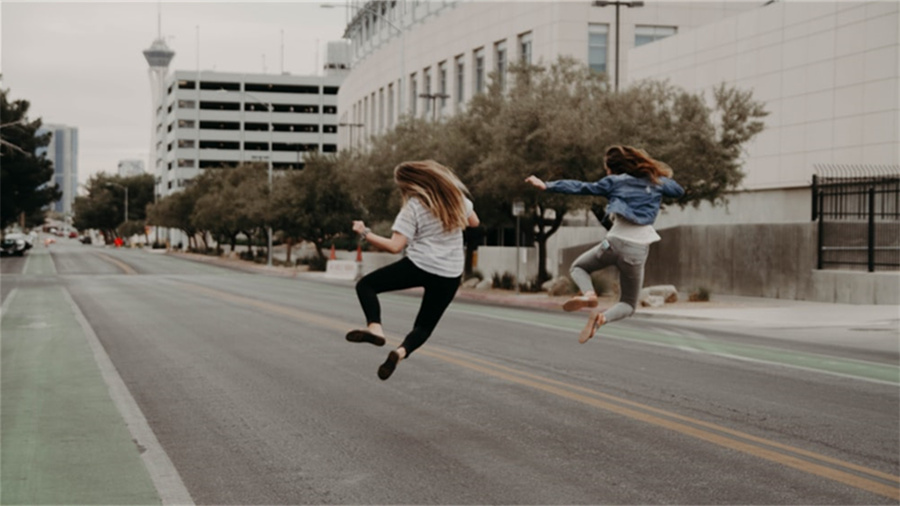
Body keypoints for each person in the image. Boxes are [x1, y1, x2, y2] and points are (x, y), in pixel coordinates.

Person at [525, 145, 684, 344]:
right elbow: (678, 191)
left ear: (612, 168)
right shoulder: (654, 182)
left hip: (613, 244)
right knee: (628, 304)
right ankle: (601, 319)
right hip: (636, 252)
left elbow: (580, 187)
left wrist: (547, 185)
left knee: (579, 267)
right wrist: (655, 176)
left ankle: (589, 294)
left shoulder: (613, 182)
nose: (606, 171)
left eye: (606, 167)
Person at [347, 160, 480, 380]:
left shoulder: (414, 207)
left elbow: (394, 246)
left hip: (420, 265)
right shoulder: (457, 198)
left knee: (366, 285)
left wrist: (364, 232)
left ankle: (376, 328)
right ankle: (400, 352)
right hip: (450, 273)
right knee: (424, 326)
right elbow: (474, 222)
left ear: (410, 185)